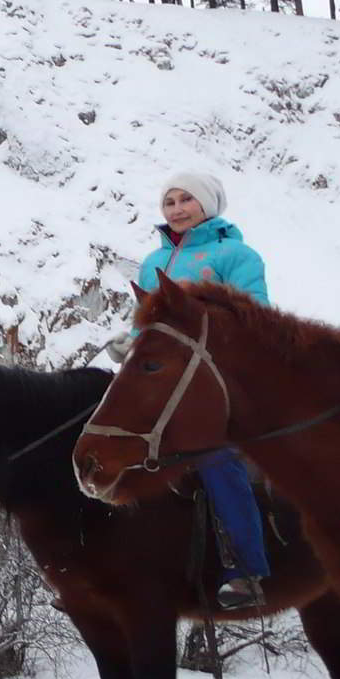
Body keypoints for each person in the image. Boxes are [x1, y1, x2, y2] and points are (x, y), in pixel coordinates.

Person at [134, 170, 274, 610]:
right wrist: (131, 340)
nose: (176, 208)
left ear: (207, 205)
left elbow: (256, 314)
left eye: (185, 199)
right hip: (161, 379)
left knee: (216, 455)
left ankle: (245, 570)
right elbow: (145, 321)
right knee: (104, 441)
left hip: (217, 378)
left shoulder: (237, 254)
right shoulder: (149, 262)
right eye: (169, 200)